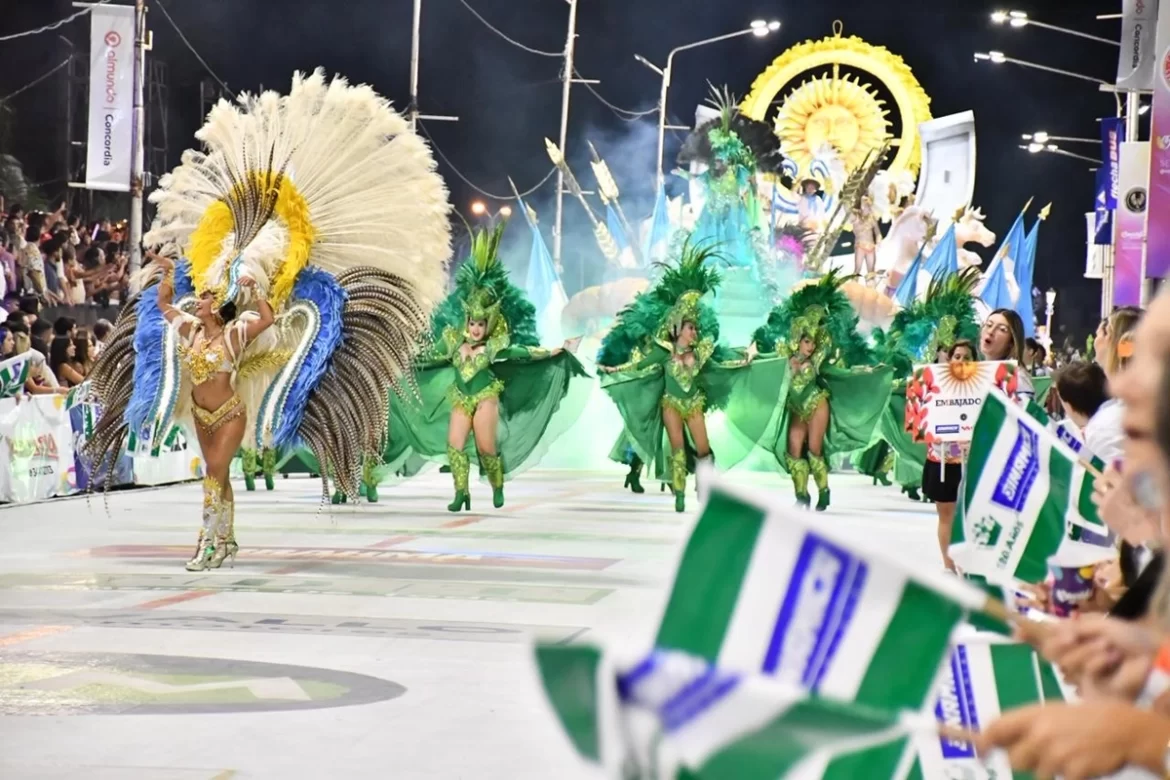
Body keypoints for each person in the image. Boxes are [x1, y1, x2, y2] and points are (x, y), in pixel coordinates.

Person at [83, 69, 452, 571]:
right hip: (201, 412)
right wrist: (168, 276)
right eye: (205, 295)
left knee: (213, 472)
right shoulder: (191, 327)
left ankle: (207, 544)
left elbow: (272, 316)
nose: (206, 299)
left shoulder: (236, 333)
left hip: (230, 413)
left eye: (213, 297)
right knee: (218, 476)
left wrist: (258, 290)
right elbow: (166, 308)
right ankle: (226, 540)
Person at [400, 222, 588, 511]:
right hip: (461, 397)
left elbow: (523, 353)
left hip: (486, 396)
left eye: (480, 323)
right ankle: (461, 493)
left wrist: (557, 349)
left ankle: (496, 484)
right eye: (472, 323)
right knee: (455, 446)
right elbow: (428, 357)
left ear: (488, 322)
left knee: (487, 448)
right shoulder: (451, 340)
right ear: (467, 320)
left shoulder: (494, 346)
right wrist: (400, 359)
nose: (475, 329)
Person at [598, 241, 788, 512]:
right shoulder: (663, 351)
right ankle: (678, 494)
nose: (694, 332)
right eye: (689, 328)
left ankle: (704, 483)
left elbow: (725, 362)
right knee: (676, 450)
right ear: (677, 328)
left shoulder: (702, 352)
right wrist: (613, 370)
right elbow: (636, 365)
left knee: (702, 449)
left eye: (695, 327)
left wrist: (748, 356)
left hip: (694, 404)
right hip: (670, 404)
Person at [752, 270, 893, 511]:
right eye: (807, 341)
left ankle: (824, 491)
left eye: (814, 342)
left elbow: (840, 372)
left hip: (817, 403)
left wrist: (867, 372)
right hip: (796, 406)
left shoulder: (818, 360)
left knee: (814, 449)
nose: (811, 345)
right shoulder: (785, 358)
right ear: (798, 339)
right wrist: (749, 359)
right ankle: (801, 495)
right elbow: (765, 360)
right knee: (794, 449)